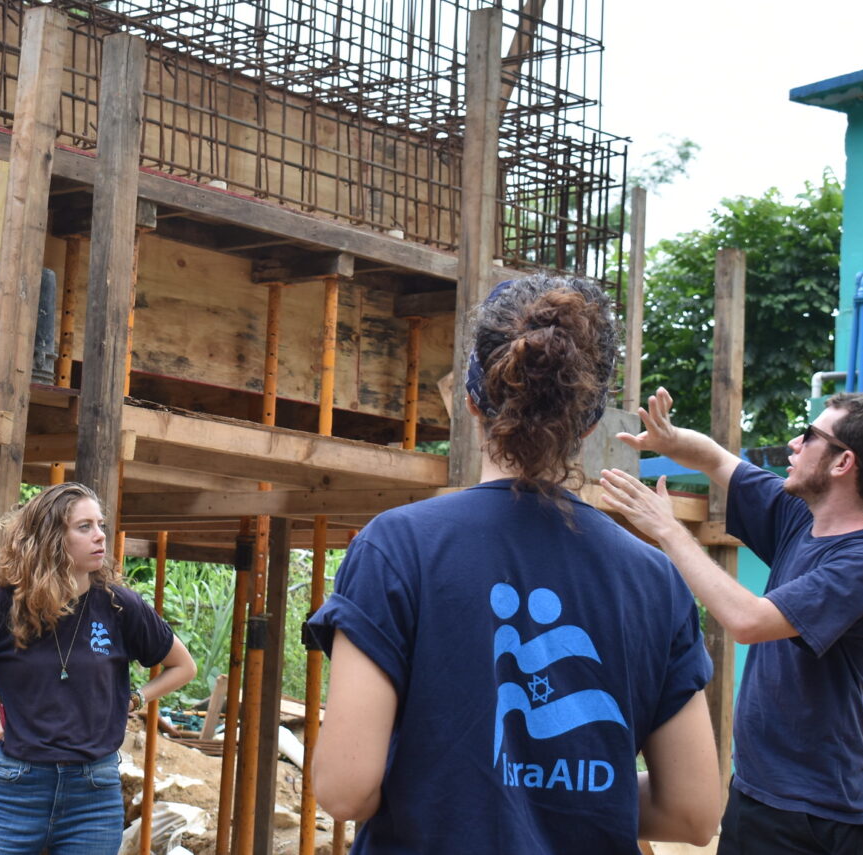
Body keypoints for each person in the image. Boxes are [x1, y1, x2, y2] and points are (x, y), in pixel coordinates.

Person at [306, 275, 720, 853]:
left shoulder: (396, 549)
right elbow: (694, 814)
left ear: (471, 400)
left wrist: (450, 787)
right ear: (591, 423)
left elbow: (345, 790)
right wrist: (590, 792)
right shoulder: (654, 580)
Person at [600, 389, 863, 855]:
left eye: (809, 435)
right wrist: (669, 439)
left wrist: (668, 529)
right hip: (757, 792)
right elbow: (716, 459)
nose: (794, 442)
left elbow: (747, 621)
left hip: (812, 814)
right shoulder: (801, 518)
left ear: (842, 463)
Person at [0, 482, 196, 855]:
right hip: (15, 788)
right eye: (84, 527)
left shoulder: (120, 606)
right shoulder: (3, 605)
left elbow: (183, 666)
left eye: (101, 525)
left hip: (93, 795)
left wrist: (136, 698)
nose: (100, 537)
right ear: (51, 538)